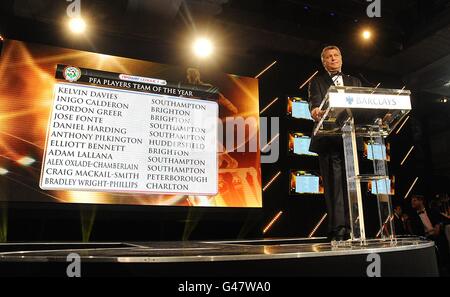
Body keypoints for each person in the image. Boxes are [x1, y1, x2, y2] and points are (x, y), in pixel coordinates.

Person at [308, 45, 362, 241]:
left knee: (352, 184)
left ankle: (354, 226)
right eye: (328, 57)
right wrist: (315, 111)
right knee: (334, 186)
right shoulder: (317, 82)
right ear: (324, 62)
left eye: (336, 55)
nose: (333, 58)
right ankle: (338, 229)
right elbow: (314, 104)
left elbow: (362, 107)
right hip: (328, 140)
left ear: (341, 58)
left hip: (349, 141)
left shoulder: (355, 81)